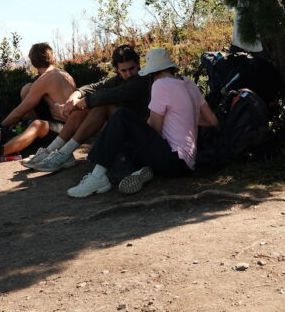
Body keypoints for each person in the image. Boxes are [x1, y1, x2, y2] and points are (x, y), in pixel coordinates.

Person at [66, 46, 218, 199]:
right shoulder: (188, 83)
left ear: (152, 72)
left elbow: (155, 130)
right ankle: (129, 173)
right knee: (119, 141)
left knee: (122, 117)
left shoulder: (160, 85)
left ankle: (98, 176)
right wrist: (183, 119)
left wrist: (137, 130)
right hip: (187, 163)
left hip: (172, 158)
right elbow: (212, 121)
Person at [25, 44, 150, 173]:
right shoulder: (118, 79)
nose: (129, 73)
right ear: (117, 69)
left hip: (140, 132)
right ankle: (54, 150)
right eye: (124, 70)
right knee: (84, 108)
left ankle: (63, 153)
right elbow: (95, 86)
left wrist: (82, 102)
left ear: (139, 63)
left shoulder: (141, 79)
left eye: (132, 68)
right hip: (124, 128)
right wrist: (75, 96)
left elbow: (111, 95)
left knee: (102, 105)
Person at [0, 43, 76, 163]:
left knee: (37, 125)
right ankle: (28, 132)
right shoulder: (65, 74)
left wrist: (1, 126)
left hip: (66, 130)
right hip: (69, 124)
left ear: (33, 61)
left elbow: (21, 110)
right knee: (27, 88)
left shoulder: (44, 79)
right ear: (51, 57)